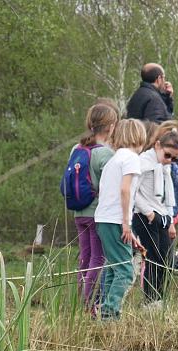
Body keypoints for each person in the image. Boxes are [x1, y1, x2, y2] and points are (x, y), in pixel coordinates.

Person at [95, 119, 148, 320]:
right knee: (125, 271)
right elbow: (125, 190)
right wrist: (126, 223)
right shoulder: (132, 158)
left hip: (104, 219)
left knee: (113, 267)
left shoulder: (114, 159)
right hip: (116, 220)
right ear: (139, 137)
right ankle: (110, 313)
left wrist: (129, 228)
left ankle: (105, 312)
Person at [71, 103, 117, 311]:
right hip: (96, 212)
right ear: (110, 127)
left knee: (85, 256)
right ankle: (89, 303)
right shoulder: (105, 154)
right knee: (98, 258)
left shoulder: (77, 148)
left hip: (78, 212)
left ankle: (80, 299)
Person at [134, 128, 178, 307]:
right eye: (167, 155)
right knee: (153, 258)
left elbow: (168, 195)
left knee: (165, 259)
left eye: (174, 158)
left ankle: (158, 298)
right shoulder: (143, 162)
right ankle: (149, 300)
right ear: (157, 145)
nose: (170, 160)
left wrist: (170, 221)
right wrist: (148, 212)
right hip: (144, 217)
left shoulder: (165, 167)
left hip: (163, 217)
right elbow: (133, 191)